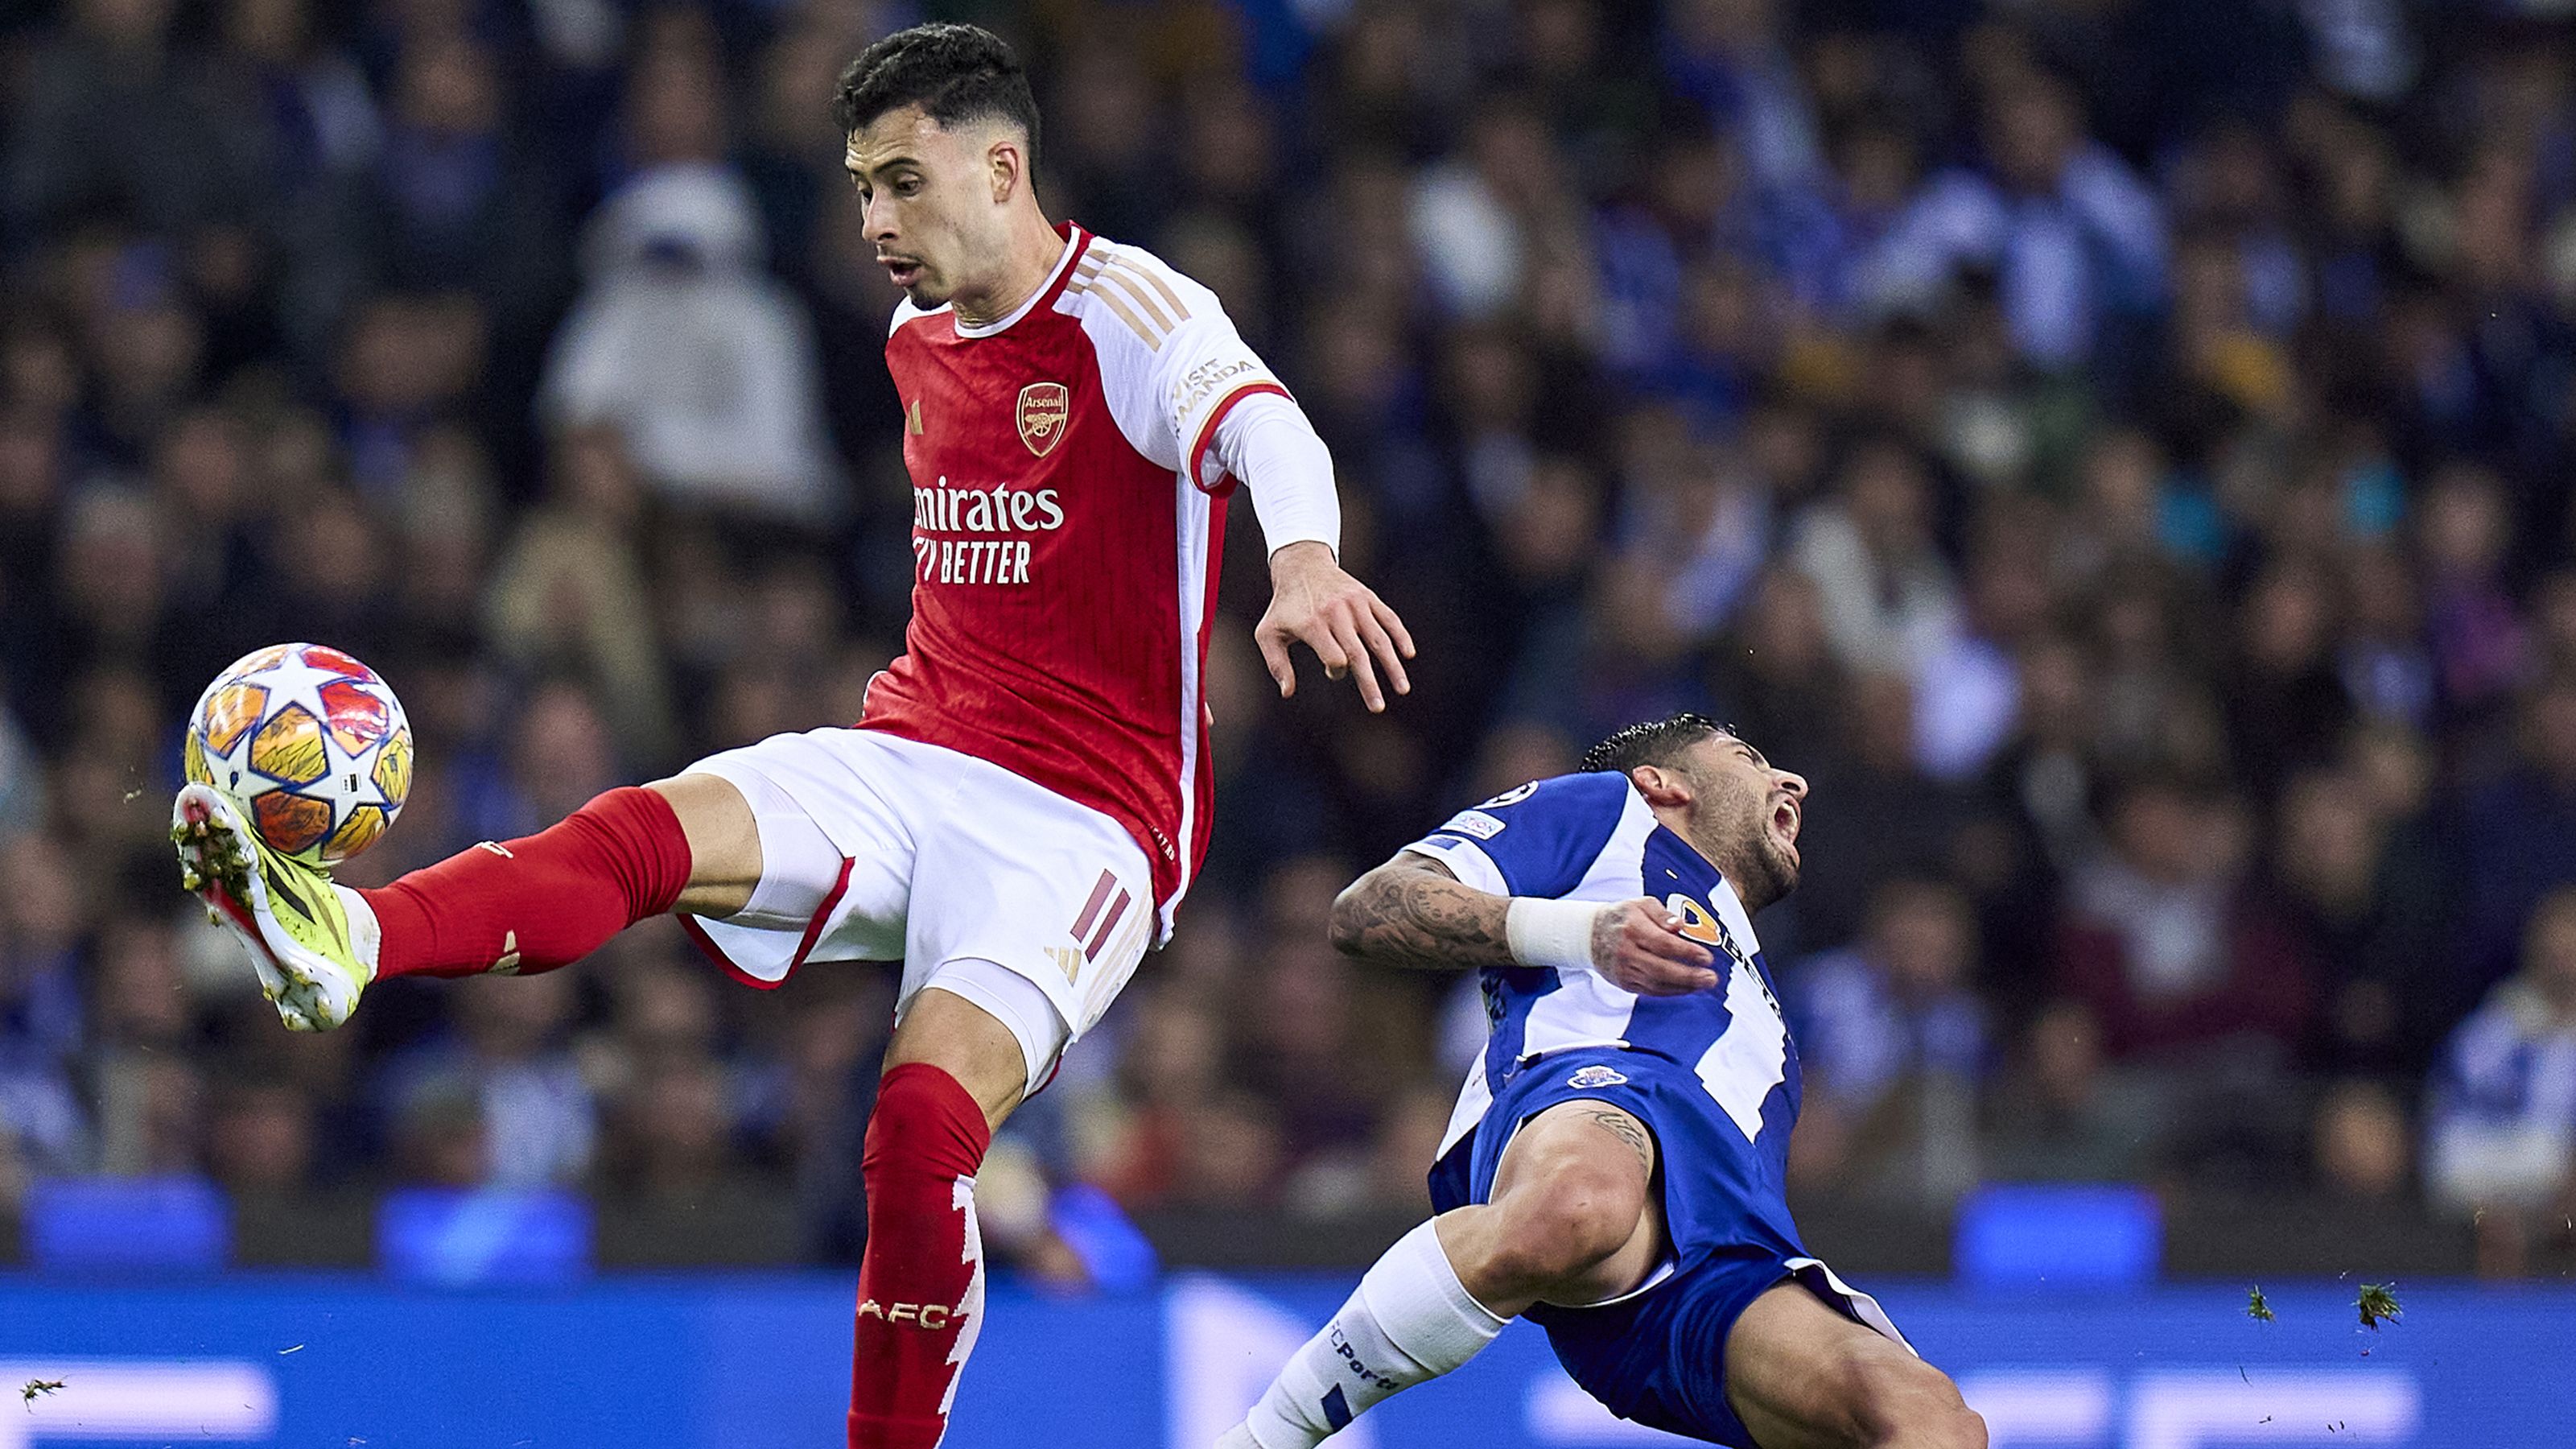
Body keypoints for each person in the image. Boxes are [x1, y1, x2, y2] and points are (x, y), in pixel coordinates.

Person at [171, 23, 1412, 1449]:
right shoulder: (913, 336)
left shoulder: (1132, 314)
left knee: (919, 1136)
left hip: (1090, 822)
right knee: (641, 833)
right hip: (915, 747)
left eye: (902, 181)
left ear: (1002, 167)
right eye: (858, 187)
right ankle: (353, 943)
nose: (876, 221)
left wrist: (1303, 560)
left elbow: (1269, 430)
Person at [1219, 713, 1985, 1449]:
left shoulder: (1760, 999)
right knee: (1581, 1200)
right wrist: (1582, 933)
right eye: (1748, 757)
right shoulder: (1610, 813)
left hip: (1719, 1256)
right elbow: (1367, 909)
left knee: (1928, 1419)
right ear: (1663, 783)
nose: (1793, 780)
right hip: (1589, 1107)